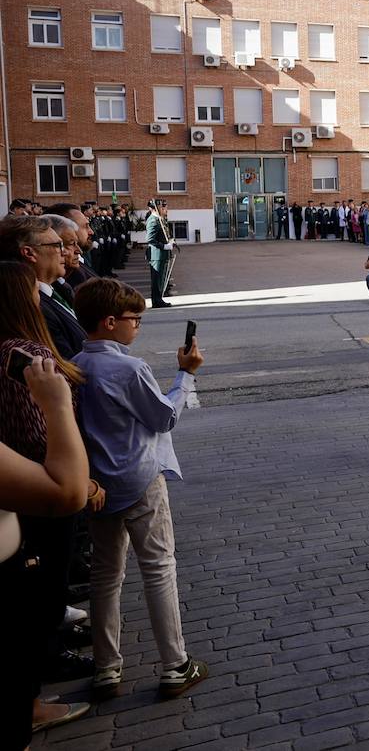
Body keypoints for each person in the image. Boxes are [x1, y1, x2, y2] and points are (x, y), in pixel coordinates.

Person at [69, 279, 210, 701]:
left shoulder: (73, 363)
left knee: (106, 575)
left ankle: (106, 667)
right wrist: (184, 375)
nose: (138, 327)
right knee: (158, 568)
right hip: (140, 476)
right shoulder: (129, 368)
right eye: (134, 319)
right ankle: (174, 663)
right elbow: (163, 418)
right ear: (111, 322)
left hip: (98, 482)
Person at [0, 260, 100, 735]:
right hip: (38, 491)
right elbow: (61, 479)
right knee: (38, 603)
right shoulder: (19, 356)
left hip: (25, 500)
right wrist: (59, 404)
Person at [0, 216, 87, 359]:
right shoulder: (30, 306)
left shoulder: (58, 289)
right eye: (58, 245)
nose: (64, 252)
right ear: (29, 253)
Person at [144, 200, 174, 308]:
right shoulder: (152, 220)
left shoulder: (159, 220)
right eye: (160, 207)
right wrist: (164, 246)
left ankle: (159, 299)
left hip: (161, 254)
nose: (163, 209)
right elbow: (150, 239)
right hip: (156, 255)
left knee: (161, 279)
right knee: (157, 279)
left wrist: (169, 242)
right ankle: (156, 301)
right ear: (154, 208)